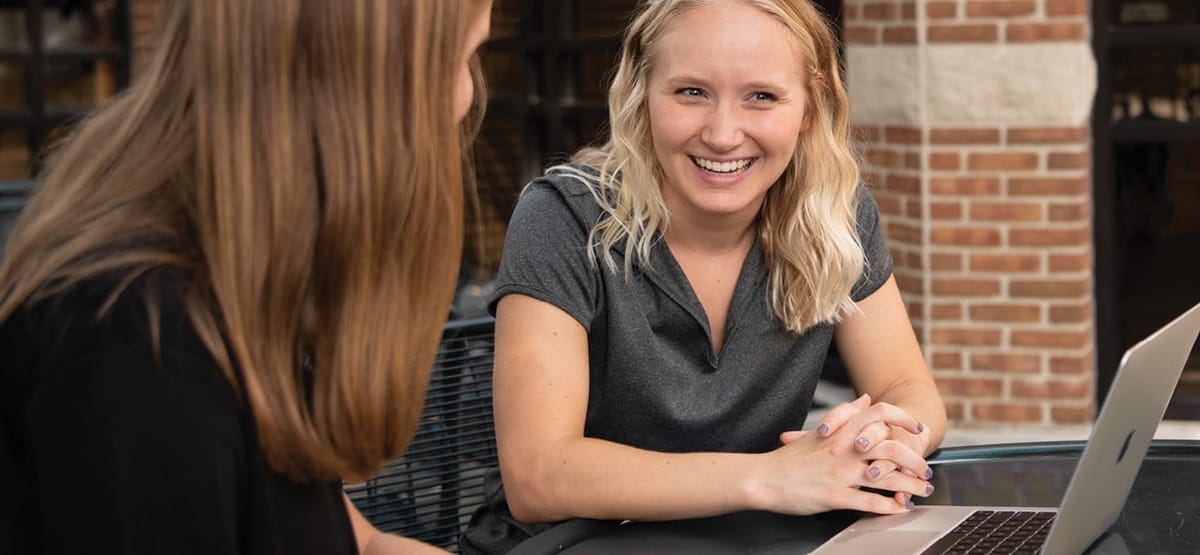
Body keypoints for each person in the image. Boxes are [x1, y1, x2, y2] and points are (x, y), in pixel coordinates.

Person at [0, 1, 491, 553]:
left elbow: (357, 542)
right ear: (355, 76)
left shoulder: (234, 286)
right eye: (463, 56)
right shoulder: (141, 346)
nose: (466, 99)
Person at [460, 0, 946, 552]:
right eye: (691, 92)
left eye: (761, 97)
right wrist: (774, 476)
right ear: (643, 93)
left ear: (810, 106)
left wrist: (884, 437)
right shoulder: (564, 217)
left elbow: (910, 391)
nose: (722, 135)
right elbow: (539, 476)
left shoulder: (834, 215)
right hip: (572, 544)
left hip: (744, 538)